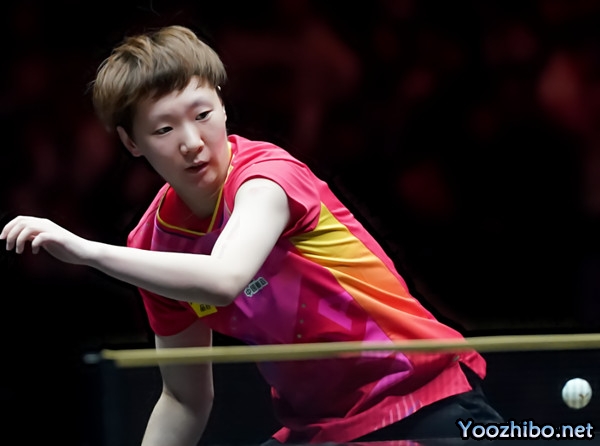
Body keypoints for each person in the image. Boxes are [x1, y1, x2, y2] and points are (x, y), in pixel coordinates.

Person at [1, 25, 503, 445]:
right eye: (164, 130)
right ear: (131, 142)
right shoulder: (155, 245)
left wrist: (87, 252)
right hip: (322, 430)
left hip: (425, 400)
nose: (192, 143)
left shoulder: (267, 178)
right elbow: (183, 399)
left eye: (202, 115)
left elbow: (224, 278)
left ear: (222, 104)